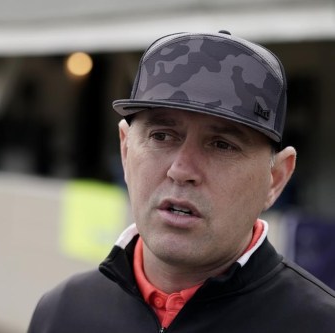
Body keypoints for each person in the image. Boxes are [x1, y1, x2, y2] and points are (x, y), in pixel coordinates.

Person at [27, 31, 335, 333]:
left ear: (275, 178)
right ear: (125, 150)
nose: (181, 169)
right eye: (161, 136)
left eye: (221, 145)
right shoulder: (62, 312)